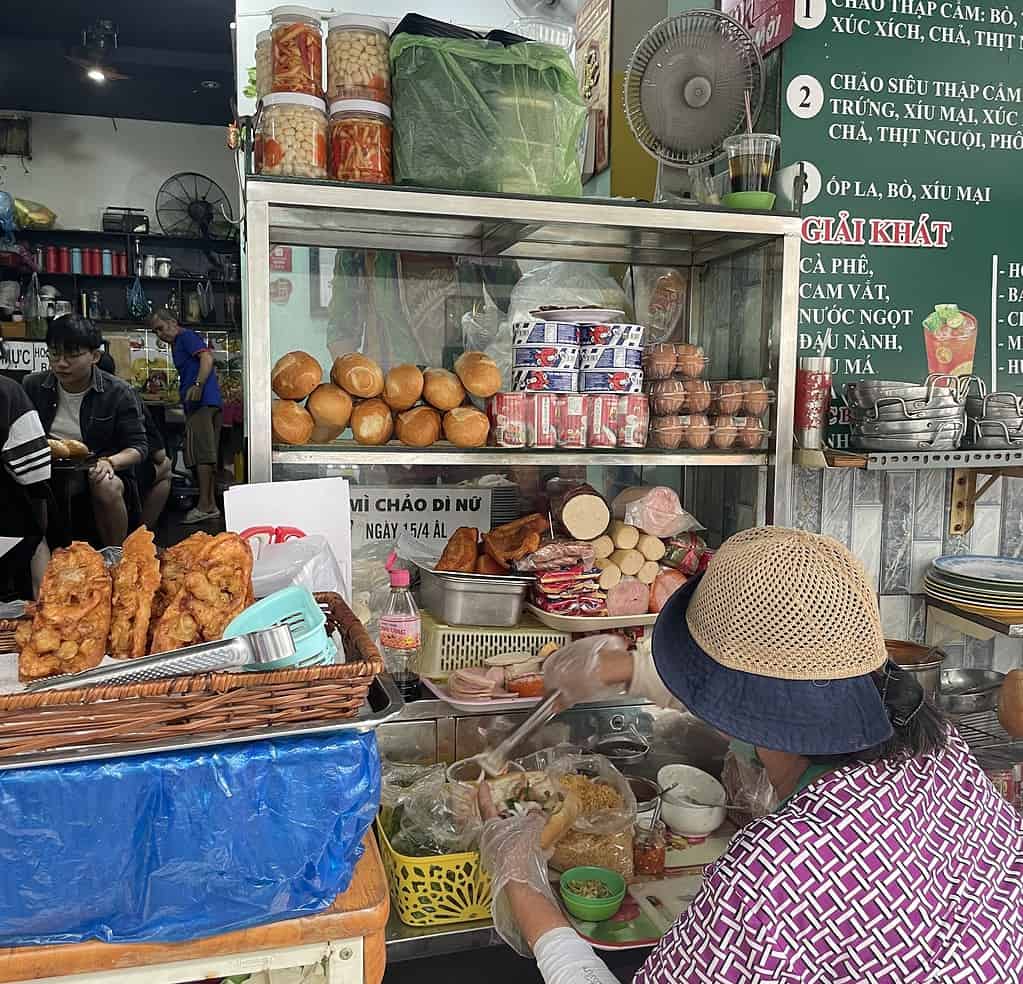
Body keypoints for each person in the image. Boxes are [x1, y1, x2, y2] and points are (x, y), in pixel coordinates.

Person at [479, 527, 1023, 984]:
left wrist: (521, 880)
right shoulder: (945, 754)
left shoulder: (771, 880)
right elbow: (768, 685)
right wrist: (624, 670)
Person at [23, 316, 146, 547]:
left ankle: (115, 555)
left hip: (97, 467)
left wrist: (110, 462)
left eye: (72, 355)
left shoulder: (118, 392)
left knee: (105, 483)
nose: (61, 363)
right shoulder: (32, 385)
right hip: (50, 470)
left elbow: (139, 448)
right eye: (54, 354)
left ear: (94, 356)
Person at [150, 309, 221, 524]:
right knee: (207, 454)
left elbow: (207, 358)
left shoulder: (185, 337)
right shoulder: (178, 343)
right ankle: (210, 505)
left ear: (172, 322)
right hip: (206, 402)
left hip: (202, 403)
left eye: (160, 328)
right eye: (155, 331)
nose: (159, 334)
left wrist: (198, 385)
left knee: (201, 455)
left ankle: (205, 506)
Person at [96, 351, 171, 529]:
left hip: (85, 469)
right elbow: (158, 454)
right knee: (166, 468)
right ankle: (140, 536)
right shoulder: (125, 394)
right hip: (118, 470)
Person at [0, 351, 51, 598]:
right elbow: (34, 472)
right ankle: (45, 611)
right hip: (6, 531)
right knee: (38, 531)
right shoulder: (8, 392)